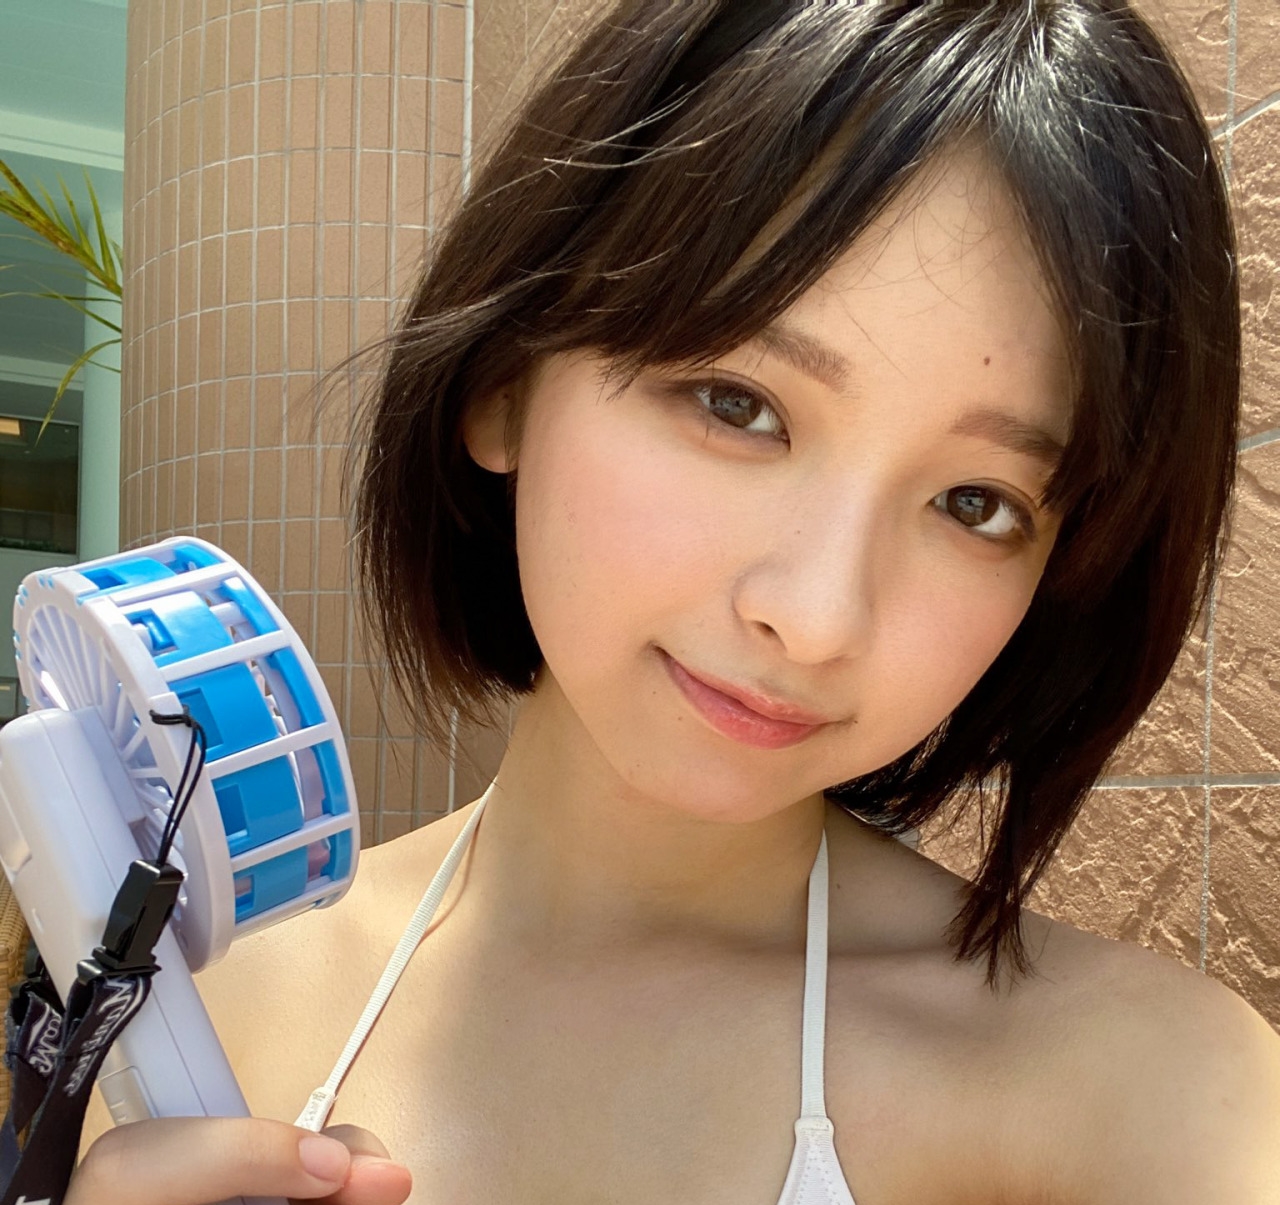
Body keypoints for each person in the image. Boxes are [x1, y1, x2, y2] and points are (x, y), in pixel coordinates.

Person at [71, 2, 1280, 1203]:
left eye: (974, 503)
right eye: (736, 404)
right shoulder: (207, 1012)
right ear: (504, 380)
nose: (816, 616)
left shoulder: (1142, 1093)